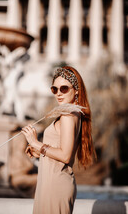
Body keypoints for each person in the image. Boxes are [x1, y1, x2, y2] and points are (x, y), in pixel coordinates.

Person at [22, 66, 96, 214]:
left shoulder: (69, 115)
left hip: (55, 185)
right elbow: (60, 150)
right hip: (50, 183)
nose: (59, 93)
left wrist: (36, 143)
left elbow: (65, 155)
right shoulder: (72, 113)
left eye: (64, 88)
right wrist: (39, 151)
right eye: (54, 89)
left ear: (76, 90)